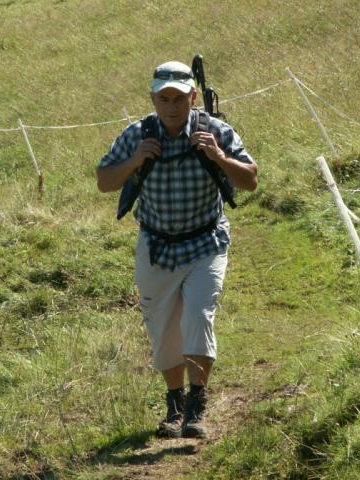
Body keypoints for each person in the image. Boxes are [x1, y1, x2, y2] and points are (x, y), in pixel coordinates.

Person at [96, 60, 257, 439]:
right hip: (155, 246)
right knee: (163, 327)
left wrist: (219, 157)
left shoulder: (215, 131)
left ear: (193, 98)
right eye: (164, 99)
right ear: (153, 99)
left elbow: (250, 180)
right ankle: (175, 404)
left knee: (198, 315)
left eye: (179, 99)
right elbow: (104, 181)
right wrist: (135, 160)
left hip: (206, 242)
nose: (172, 107)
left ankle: (196, 405)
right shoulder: (136, 135)